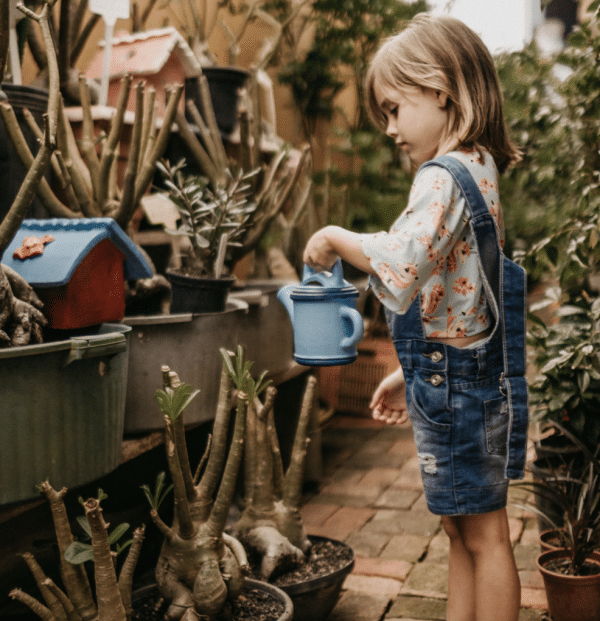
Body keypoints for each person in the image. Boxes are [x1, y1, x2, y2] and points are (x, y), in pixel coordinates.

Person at [302, 13, 528, 621]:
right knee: (462, 531)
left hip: (461, 390)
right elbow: (459, 294)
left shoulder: (442, 177)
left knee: (483, 535)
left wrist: (332, 235)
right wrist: (413, 370)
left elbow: (401, 264)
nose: (391, 129)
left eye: (396, 109)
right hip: (462, 376)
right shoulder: (475, 167)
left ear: (441, 90)